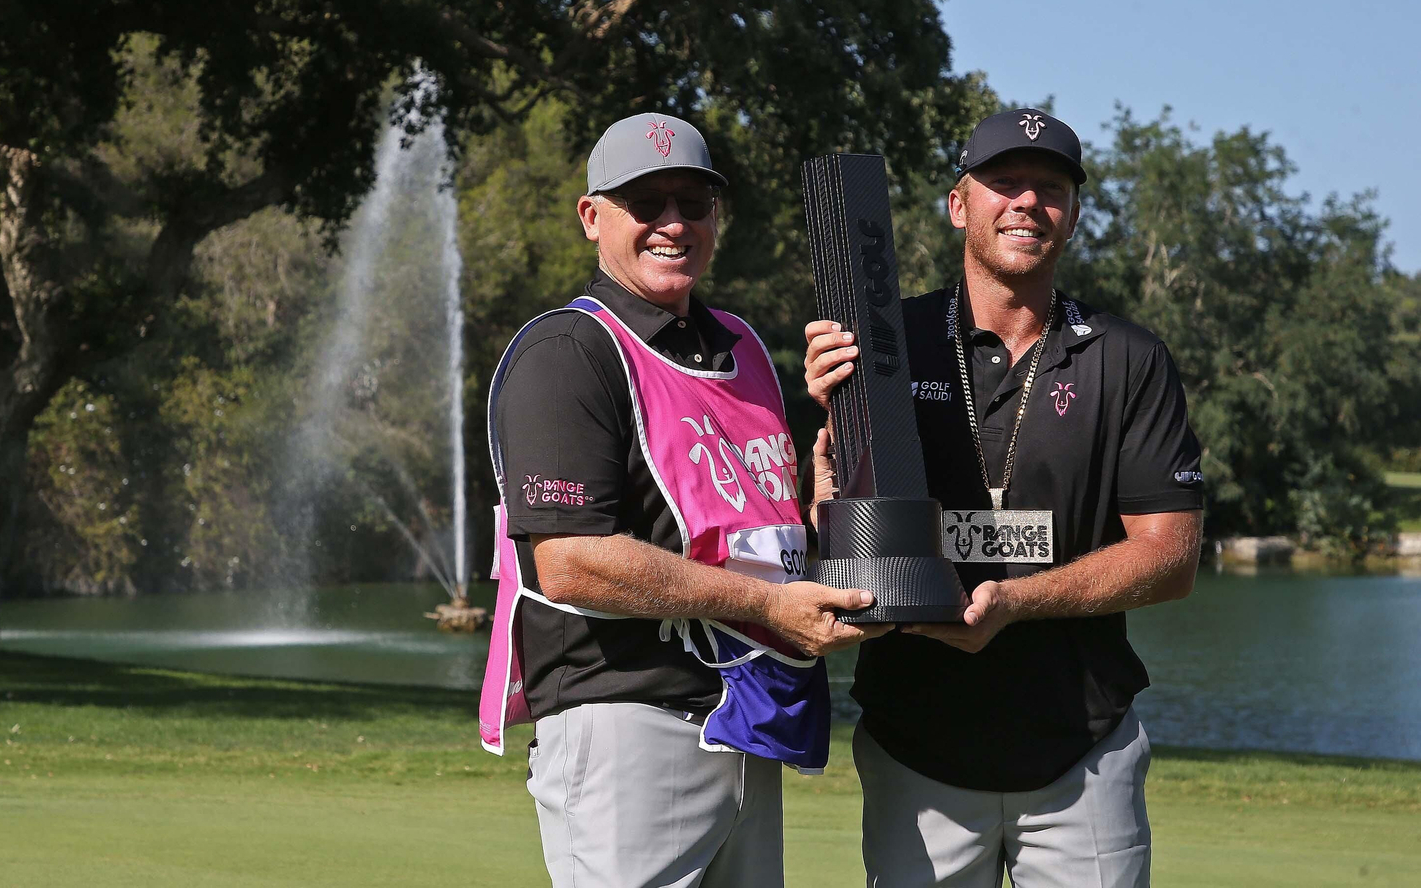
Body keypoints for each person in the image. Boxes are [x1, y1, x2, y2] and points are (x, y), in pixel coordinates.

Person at [479, 112, 888, 888]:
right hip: (627, 725)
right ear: (593, 217)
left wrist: (826, 496)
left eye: (693, 203)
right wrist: (769, 608)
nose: (673, 223)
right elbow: (570, 561)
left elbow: (756, 542)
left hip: (744, 723)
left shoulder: (741, 347)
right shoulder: (568, 351)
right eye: (646, 201)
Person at [804, 108, 1205, 888]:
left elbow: (1171, 558)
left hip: (1082, 753)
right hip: (914, 750)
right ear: (960, 204)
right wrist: (830, 437)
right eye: (1004, 183)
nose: (1027, 202)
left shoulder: (1127, 357)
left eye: (1050, 188)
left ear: (1075, 212)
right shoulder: (881, 341)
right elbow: (810, 532)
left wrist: (1016, 602)